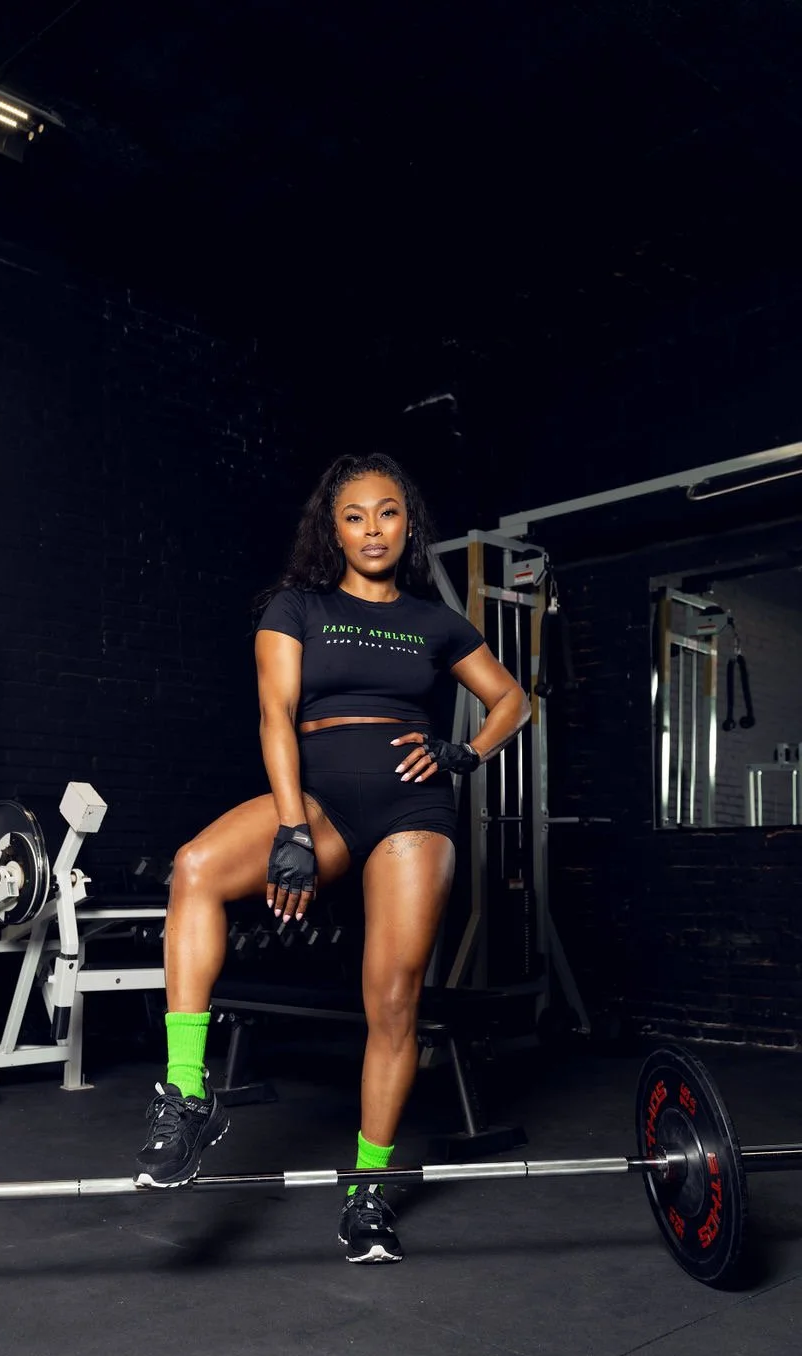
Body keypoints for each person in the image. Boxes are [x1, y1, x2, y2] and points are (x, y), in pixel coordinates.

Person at [134, 451, 530, 1262]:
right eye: (355, 516)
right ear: (334, 528)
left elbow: (512, 698)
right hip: (318, 800)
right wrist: (289, 831)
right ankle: (186, 1091)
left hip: (413, 808)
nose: (373, 529)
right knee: (196, 867)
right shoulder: (296, 606)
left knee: (392, 1000)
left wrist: (465, 754)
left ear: (407, 524)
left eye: (388, 513)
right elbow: (276, 716)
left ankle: (367, 1189)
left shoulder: (435, 622)